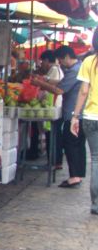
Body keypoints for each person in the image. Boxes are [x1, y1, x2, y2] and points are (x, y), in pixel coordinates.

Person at [35, 46, 85, 187]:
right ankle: (78, 175)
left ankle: (75, 177)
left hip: (74, 114)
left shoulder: (75, 70)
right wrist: (46, 82)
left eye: (62, 60)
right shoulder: (78, 68)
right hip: (79, 114)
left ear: (67, 56)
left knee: (71, 144)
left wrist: (41, 84)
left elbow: (60, 89)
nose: (61, 64)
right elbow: (62, 84)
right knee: (78, 145)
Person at [69, 33, 98, 216]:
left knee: (96, 159)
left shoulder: (89, 61)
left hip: (90, 117)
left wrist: (75, 116)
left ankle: (96, 204)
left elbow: (83, 91)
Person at [31, 50, 64, 166]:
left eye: (42, 61)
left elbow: (53, 87)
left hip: (55, 106)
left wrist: (39, 82)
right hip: (53, 106)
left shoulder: (54, 70)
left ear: (46, 60)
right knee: (53, 134)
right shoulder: (53, 70)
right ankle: (55, 161)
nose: (41, 64)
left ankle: (55, 161)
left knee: (53, 135)